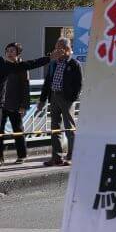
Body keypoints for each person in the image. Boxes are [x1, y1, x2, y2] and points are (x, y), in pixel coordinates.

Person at [1, 42, 48, 165]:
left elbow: (25, 88)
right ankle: (0, 157)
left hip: (15, 103)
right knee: (0, 131)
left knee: (18, 130)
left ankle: (22, 155)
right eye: (8, 51)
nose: (9, 53)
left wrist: (23, 105)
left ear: (18, 53)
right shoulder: (3, 65)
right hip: (2, 103)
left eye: (12, 51)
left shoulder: (21, 67)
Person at [37, 38, 82, 167]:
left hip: (67, 98)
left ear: (67, 49)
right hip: (54, 96)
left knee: (69, 127)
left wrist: (72, 98)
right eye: (56, 47)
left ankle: (72, 156)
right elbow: (47, 83)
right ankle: (56, 156)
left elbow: (79, 84)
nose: (56, 50)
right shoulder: (53, 63)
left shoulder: (74, 64)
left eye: (59, 48)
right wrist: (42, 100)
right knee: (55, 127)